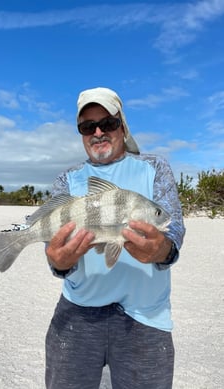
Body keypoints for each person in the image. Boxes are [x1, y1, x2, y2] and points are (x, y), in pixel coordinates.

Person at [45, 87, 185, 389]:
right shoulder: (66, 180)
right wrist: (58, 262)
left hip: (146, 318)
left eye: (107, 123)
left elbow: (173, 231)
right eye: (87, 127)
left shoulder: (156, 167)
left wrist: (160, 249)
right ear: (81, 134)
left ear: (122, 125)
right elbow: (54, 249)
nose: (98, 132)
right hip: (77, 312)